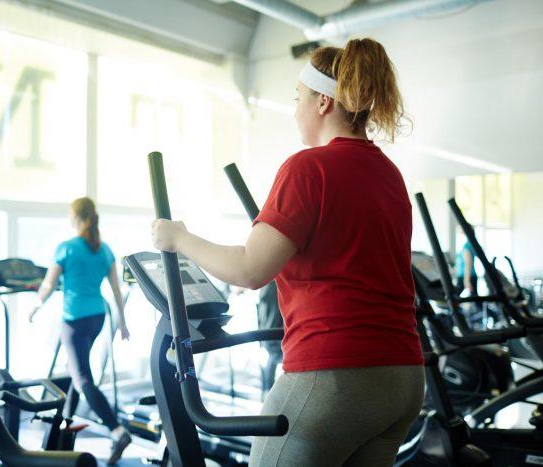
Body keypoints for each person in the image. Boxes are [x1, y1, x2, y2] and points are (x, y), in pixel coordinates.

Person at [151, 38, 425, 466]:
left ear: (321, 103)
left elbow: (249, 269)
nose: (294, 109)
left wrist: (179, 238)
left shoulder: (308, 167)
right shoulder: (388, 173)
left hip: (335, 375)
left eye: (298, 98)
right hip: (401, 378)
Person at [30, 197, 132, 465]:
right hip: (97, 317)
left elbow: (48, 285)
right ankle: (66, 425)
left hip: (74, 320)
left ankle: (117, 430)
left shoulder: (66, 248)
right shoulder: (104, 249)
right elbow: (116, 289)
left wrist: (35, 307)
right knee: (78, 372)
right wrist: (122, 321)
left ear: (75, 218)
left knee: (83, 378)